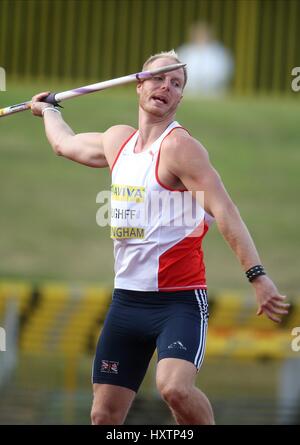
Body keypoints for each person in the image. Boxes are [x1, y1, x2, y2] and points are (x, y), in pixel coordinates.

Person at [31, 50, 289, 425]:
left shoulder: (180, 149)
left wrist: (257, 275)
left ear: (180, 97)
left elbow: (226, 211)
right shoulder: (118, 141)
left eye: (176, 83)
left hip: (178, 303)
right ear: (139, 84)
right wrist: (49, 110)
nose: (165, 87)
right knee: (103, 415)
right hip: (126, 302)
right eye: (158, 78)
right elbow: (64, 144)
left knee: (175, 388)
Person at [177, 22, 234, 96]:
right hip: (188, 92)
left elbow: (225, 70)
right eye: (198, 34)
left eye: (203, 34)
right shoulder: (185, 51)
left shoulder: (219, 52)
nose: (201, 36)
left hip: (214, 92)